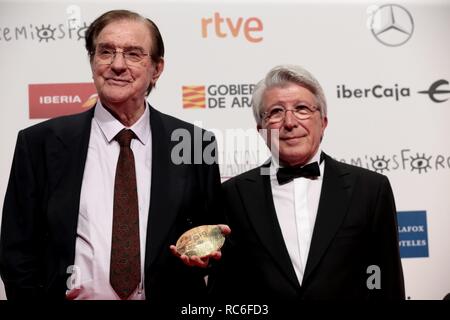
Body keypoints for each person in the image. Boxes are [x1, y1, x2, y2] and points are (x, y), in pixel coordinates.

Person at [0, 9, 228, 302]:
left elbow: (211, 237)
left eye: (133, 54)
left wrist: (205, 259)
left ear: (157, 69)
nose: (117, 65)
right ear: (93, 61)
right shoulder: (39, 143)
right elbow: (17, 250)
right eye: (105, 51)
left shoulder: (195, 143)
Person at [209, 65, 405, 301]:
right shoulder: (233, 194)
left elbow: (387, 282)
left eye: (301, 109)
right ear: (261, 130)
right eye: (276, 112)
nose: (289, 122)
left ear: (323, 122)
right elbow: (225, 290)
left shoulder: (370, 189)